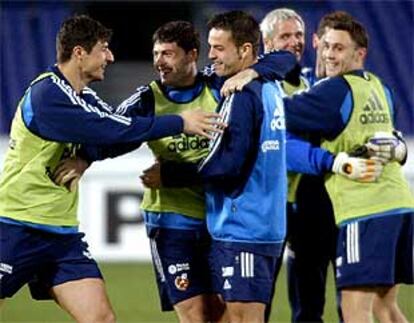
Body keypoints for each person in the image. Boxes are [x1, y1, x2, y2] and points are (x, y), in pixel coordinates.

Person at [0, 14, 222, 322]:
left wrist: (85, 158)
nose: (110, 56)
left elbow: (116, 129)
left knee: (101, 318)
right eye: (103, 49)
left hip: (61, 235)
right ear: (79, 53)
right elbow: (110, 129)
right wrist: (179, 122)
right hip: (14, 226)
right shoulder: (47, 94)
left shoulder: (85, 97)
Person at [281, 15, 414, 323]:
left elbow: (276, 113)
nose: (329, 54)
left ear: (359, 54)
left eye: (339, 48)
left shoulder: (333, 91)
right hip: (399, 204)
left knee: (355, 312)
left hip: (364, 211)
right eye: (325, 46)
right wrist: (399, 148)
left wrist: (250, 82)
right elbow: (389, 138)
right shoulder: (382, 88)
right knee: (386, 307)